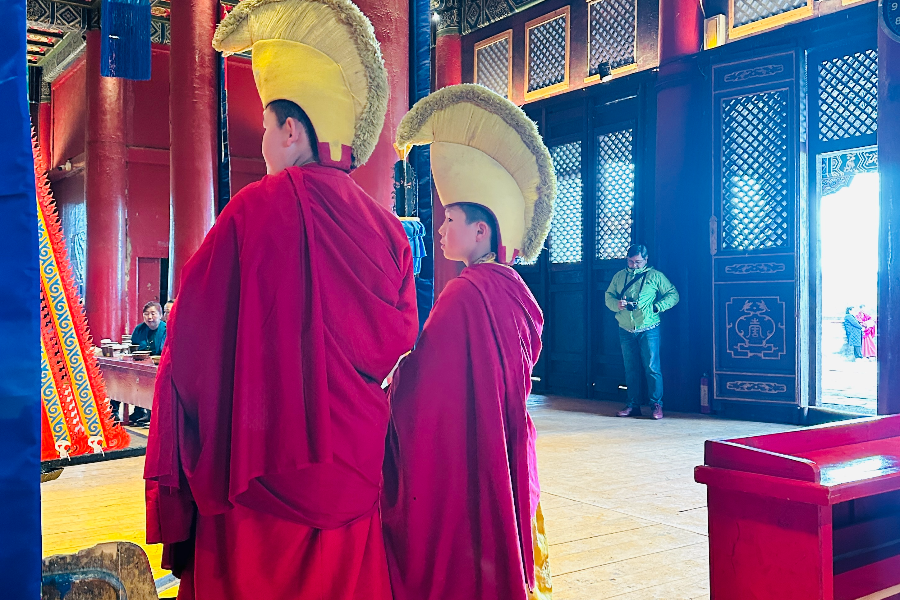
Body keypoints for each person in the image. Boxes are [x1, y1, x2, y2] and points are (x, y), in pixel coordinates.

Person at [143, 1, 417, 598]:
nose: (263, 146)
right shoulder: (389, 231)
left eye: (264, 130)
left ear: (292, 130)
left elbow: (190, 346)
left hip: (260, 479)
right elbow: (398, 338)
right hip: (352, 472)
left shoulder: (252, 213)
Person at [382, 84, 555, 600]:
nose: (439, 229)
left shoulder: (465, 294)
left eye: (450, 219)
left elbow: (423, 384)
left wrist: (392, 382)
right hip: (507, 438)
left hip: (466, 448)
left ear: (481, 232)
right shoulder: (513, 290)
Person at [605, 244, 679, 420]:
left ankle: (656, 405)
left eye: (638, 262)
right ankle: (633, 405)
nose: (634, 265)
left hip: (649, 327)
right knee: (630, 368)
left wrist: (657, 307)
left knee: (652, 367)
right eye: (630, 262)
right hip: (625, 327)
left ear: (646, 260)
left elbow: (673, 295)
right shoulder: (619, 276)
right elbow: (608, 296)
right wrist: (617, 304)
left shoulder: (655, 276)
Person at [111, 301, 167, 425]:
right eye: (146, 314)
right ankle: (114, 411)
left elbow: (164, 352)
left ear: (161, 315)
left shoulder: (165, 330)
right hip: (139, 365)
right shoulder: (139, 329)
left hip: (157, 368)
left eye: (153, 313)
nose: (150, 317)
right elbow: (134, 347)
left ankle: (144, 410)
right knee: (119, 375)